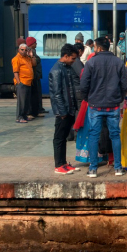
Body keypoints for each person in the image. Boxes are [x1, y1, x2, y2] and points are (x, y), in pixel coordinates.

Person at [80, 37, 127, 178]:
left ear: (99, 48)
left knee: (94, 135)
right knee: (115, 135)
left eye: (95, 47)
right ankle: (118, 168)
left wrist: (88, 98)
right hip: (113, 105)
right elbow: (124, 85)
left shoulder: (91, 62)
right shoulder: (119, 62)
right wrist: (119, 98)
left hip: (95, 105)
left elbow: (84, 85)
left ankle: (93, 169)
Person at [49, 44, 79, 175]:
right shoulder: (56, 71)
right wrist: (62, 112)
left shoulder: (67, 68)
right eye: (72, 58)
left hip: (69, 109)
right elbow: (57, 94)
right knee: (59, 138)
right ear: (65, 56)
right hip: (63, 111)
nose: (74, 61)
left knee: (64, 137)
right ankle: (58, 165)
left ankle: (63, 163)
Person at [12, 43, 33, 123]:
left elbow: (34, 64)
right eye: (22, 49)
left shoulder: (27, 58)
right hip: (22, 82)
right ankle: (19, 117)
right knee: (22, 101)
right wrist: (19, 82)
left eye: (25, 50)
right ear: (18, 50)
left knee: (26, 101)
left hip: (28, 82)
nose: (24, 51)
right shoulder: (16, 59)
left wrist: (31, 55)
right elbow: (15, 71)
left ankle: (24, 115)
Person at [26, 37, 46, 117]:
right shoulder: (29, 51)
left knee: (36, 95)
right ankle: (32, 112)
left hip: (36, 76)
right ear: (32, 44)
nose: (36, 44)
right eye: (35, 43)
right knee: (34, 95)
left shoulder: (33, 51)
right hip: (33, 76)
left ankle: (37, 110)